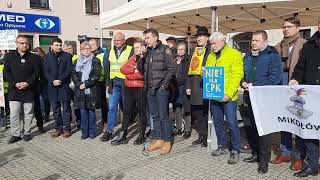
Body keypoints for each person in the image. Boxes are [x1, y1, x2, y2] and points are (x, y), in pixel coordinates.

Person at [242, 30, 283, 173]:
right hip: (250, 97)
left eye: (257, 40)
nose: (253, 43)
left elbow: (275, 78)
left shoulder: (272, 56)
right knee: (252, 127)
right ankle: (256, 154)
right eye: (252, 40)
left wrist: (255, 85)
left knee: (264, 131)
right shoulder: (247, 56)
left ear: (265, 41)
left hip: (265, 98)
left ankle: (264, 161)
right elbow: (243, 73)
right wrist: (243, 82)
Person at [272, 17, 307, 171]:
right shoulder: (278, 46)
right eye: (284, 27)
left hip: (297, 86)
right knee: (284, 120)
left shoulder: (304, 45)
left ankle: (299, 157)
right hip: (281, 85)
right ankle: (285, 152)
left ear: (297, 28)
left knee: (298, 122)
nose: (286, 29)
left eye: (290, 27)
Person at [288, 17, 320, 178]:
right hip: (311, 96)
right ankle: (313, 165)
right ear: (318, 25)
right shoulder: (309, 45)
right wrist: (296, 79)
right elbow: (300, 67)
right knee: (310, 132)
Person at [206, 32, 244, 164]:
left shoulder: (234, 54)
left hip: (228, 97)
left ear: (222, 41)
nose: (212, 46)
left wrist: (228, 93)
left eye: (214, 43)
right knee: (218, 122)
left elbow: (237, 75)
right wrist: (205, 73)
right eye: (211, 43)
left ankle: (235, 150)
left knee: (232, 124)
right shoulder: (210, 56)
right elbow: (209, 75)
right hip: (215, 95)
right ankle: (222, 146)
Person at [137, 28, 176, 155]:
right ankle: (159, 139)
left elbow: (172, 68)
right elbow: (141, 70)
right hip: (149, 88)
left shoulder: (165, 49)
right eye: (145, 38)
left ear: (155, 38)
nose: (145, 40)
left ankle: (167, 140)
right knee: (155, 116)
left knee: (163, 116)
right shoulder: (147, 52)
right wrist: (141, 58)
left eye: (148, 38)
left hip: (161, 89)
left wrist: (164, 85)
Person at [4, 35, 40, 143]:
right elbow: (6, 72)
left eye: (26, 43)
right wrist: (15, 83)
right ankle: (16, 134)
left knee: (28, 113)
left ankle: (27, 132)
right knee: (14, 114)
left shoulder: (34, 57)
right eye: (22, 43)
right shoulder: (9, 56)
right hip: (14, 90)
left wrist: (28, 83)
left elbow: (37, 73)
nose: (25, 45)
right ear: (17, 44)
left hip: (29, 90)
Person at [111, 40, 147, 145]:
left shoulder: (145, 59)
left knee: (141, 113)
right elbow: (122, 70)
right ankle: (123, 136)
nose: (135, 49)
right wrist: (133, 69)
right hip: (129, 88)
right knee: (126, 112)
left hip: (140, 88)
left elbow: (142, 76)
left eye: (137, 47)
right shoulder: (132, 58)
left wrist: (131, 73)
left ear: (143, 48)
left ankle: (142, 135)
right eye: (134, 48)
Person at [100, 33, 133, 141]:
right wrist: (108, 84)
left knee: (125, 108)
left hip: (125, 82)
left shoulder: (130, 50)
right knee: (112, 107)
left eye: (118, 40)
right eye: (114, 40)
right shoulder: (110, 50)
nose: (116, 42)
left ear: (124, 40)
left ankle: (124, 131)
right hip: (114, 82)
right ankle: (109, 131)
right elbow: (107, 68)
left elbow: (132, 66)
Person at [185, 27, 211, 147]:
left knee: (205, 113)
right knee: (197, 113)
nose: (199, 38)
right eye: (198, 37)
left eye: (202, 36)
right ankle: (202, 135)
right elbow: (189, 70)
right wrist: (188, 85)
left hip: (205, 85)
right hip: (195, 85)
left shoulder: (210, 51)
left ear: (207, 38)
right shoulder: (194, 51)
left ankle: (207, 136)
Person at [44, 38, 73, 138]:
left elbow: (69, 70)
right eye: (56, 45)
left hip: (64, 86)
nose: (59, 47)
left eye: (60, 45)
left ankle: (67, 129)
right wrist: (52, 80)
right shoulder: (48, 57)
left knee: (66, 109)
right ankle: (58, 129)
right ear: (52, 46)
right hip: (52, 87)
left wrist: (60, 80)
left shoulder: (67, 56)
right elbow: (46, 72)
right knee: (56, 110)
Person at [72, 41, 101, 139]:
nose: (87, 50)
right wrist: (79, 84)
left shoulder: (95, 60)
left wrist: (86, 84)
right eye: (84, 49)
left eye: (88, 48)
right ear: (81, 50)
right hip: (79, 90)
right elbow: (74, 75)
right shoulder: (77, 61)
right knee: (83, 112)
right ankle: (84, 133)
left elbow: (96, 75)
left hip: (91, 89)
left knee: (91, 112)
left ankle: (92, 132)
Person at [172, 42, 192, 138]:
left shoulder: (188, 60)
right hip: (175, 88)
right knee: (176, 109)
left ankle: (188, 129)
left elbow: (187, 75)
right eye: (179, 49)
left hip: (184, 87)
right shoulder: (174, 59)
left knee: (186, 110)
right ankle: (178, 127)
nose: (180, 51)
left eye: (182, 49)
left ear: (185, 50)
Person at [88, 39, 108, 132]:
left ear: (97, 45)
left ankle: (105, 122)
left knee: (103, 103)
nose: (91, 46)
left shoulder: (103, 54)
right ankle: (92, 124)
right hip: (90, 83)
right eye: (90, 45)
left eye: (93, 44)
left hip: (100, 82)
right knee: (91, 103)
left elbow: (106, 68)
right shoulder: (88, 54)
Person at [63, 43, 81, 128]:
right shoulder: (62, 58)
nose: (68, 50)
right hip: (65, 85)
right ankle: (68, 121)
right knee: (67, 105)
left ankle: (79, 120)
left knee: (77, 104)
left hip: (75, 85)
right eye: (66, 49)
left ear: (73, 49)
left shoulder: (77, 58)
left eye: (69, 48)